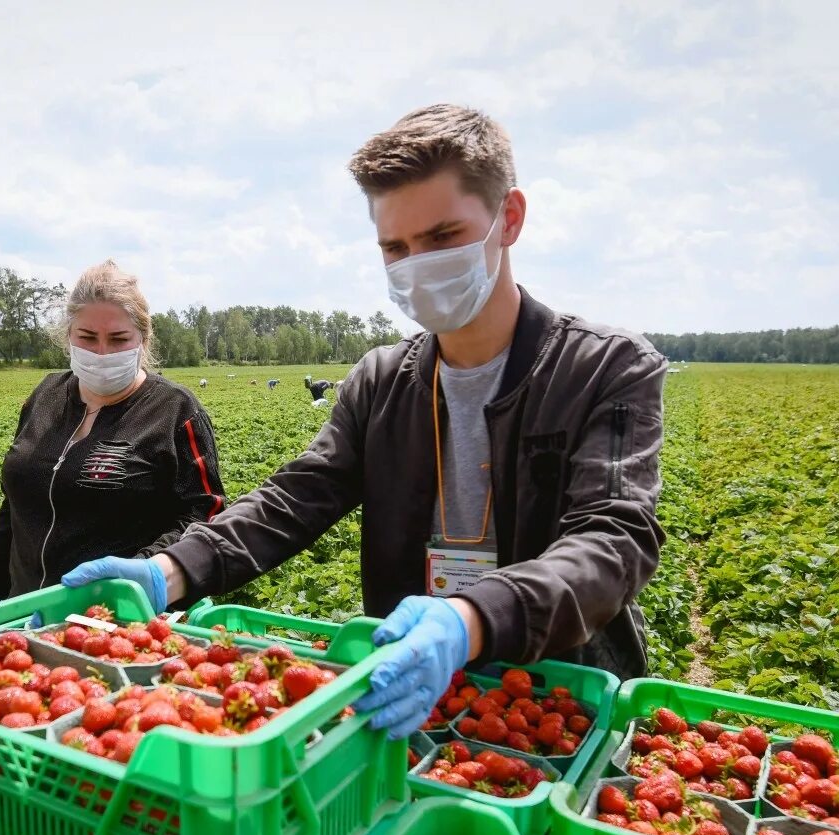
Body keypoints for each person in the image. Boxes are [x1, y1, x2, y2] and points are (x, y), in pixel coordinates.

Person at [65, 105, 665, 738]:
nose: (416, 264)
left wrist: (468, 618)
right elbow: (293, 500)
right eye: (396, 248)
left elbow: (612, 539)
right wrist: (170, 571)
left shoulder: (602, 369)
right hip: (410, 691)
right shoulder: (383, 382)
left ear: (508, 219)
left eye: (442, 237)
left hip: (560, 697)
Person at [0, 261, 227, 605]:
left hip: (121, 618)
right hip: (23, 613)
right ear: (69, 336)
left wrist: (143, 571)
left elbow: (205, 514)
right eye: (88, 337)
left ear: (143, 339)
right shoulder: (45, 396)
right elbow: (14, 507)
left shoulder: (174, 411)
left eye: (119, 339)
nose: (102, 352)